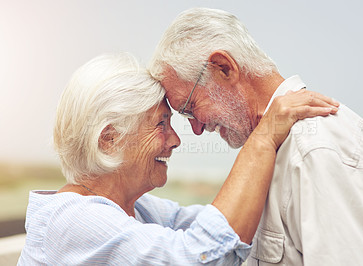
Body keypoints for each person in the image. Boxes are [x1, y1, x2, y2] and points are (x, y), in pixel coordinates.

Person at [17, 52, 338, 265]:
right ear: (109, 139)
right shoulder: (73, 221)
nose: (175, 140)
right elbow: (199, 257)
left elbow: (222, 227)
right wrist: (263, 138)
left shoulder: (137, 209)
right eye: (160, 124)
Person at [148, 7, 363, 266]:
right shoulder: (276, 148)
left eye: (190, 108)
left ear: (224, 68)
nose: (197, 130)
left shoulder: (314, 147)